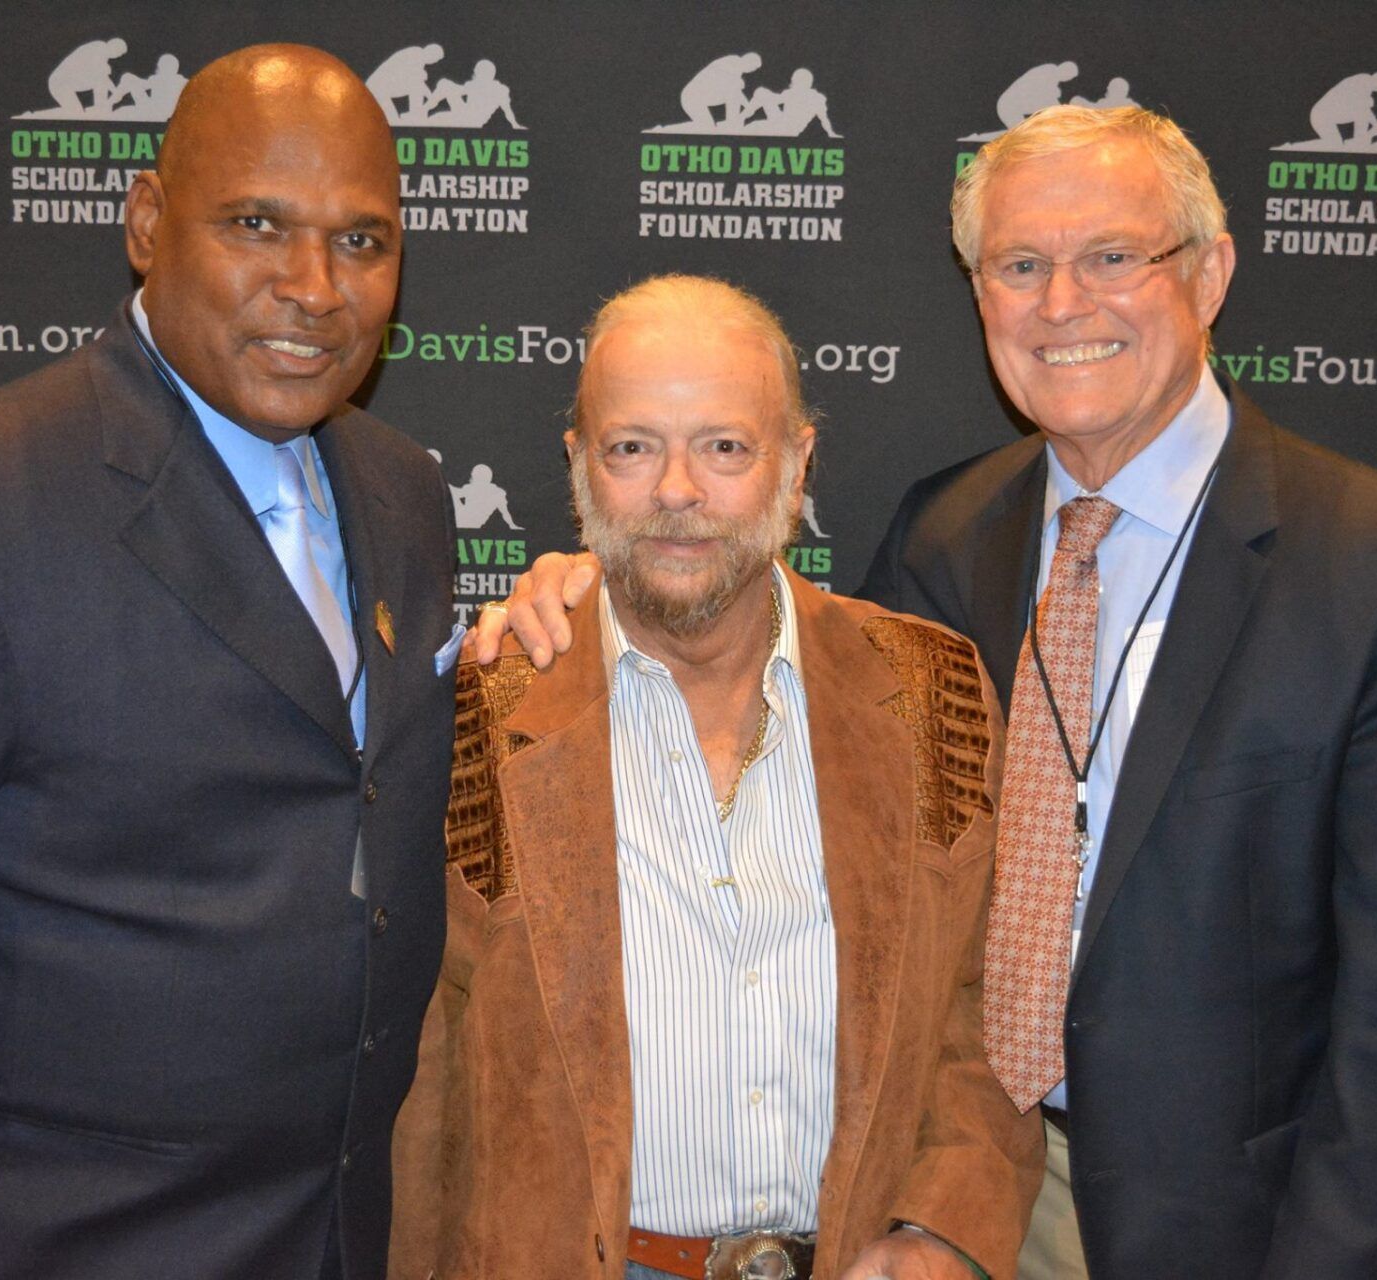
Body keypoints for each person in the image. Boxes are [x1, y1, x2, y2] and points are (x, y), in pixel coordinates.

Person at [478, 106, 1377, 1279]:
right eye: (1020, 265)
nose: (1062, 304)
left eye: (1113, 256)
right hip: (933, 1201)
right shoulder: (947, 533)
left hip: (1226, 1221)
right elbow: (765, 683)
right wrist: (593, 580)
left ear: (1213, 270)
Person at [0, 43, 458, 1280]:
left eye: (363, 242)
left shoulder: (401, 490)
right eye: (257, 224)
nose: (316, 287)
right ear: (148, 224)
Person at [394, 275, 1040, 1280]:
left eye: (726, 446)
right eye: (633, 446)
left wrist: (946, 1223)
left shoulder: (933, 691)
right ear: (579, 469)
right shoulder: (474, 707)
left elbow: (986, 1001)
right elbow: (417, 1063)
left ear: (797, 463)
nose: (678, 491)